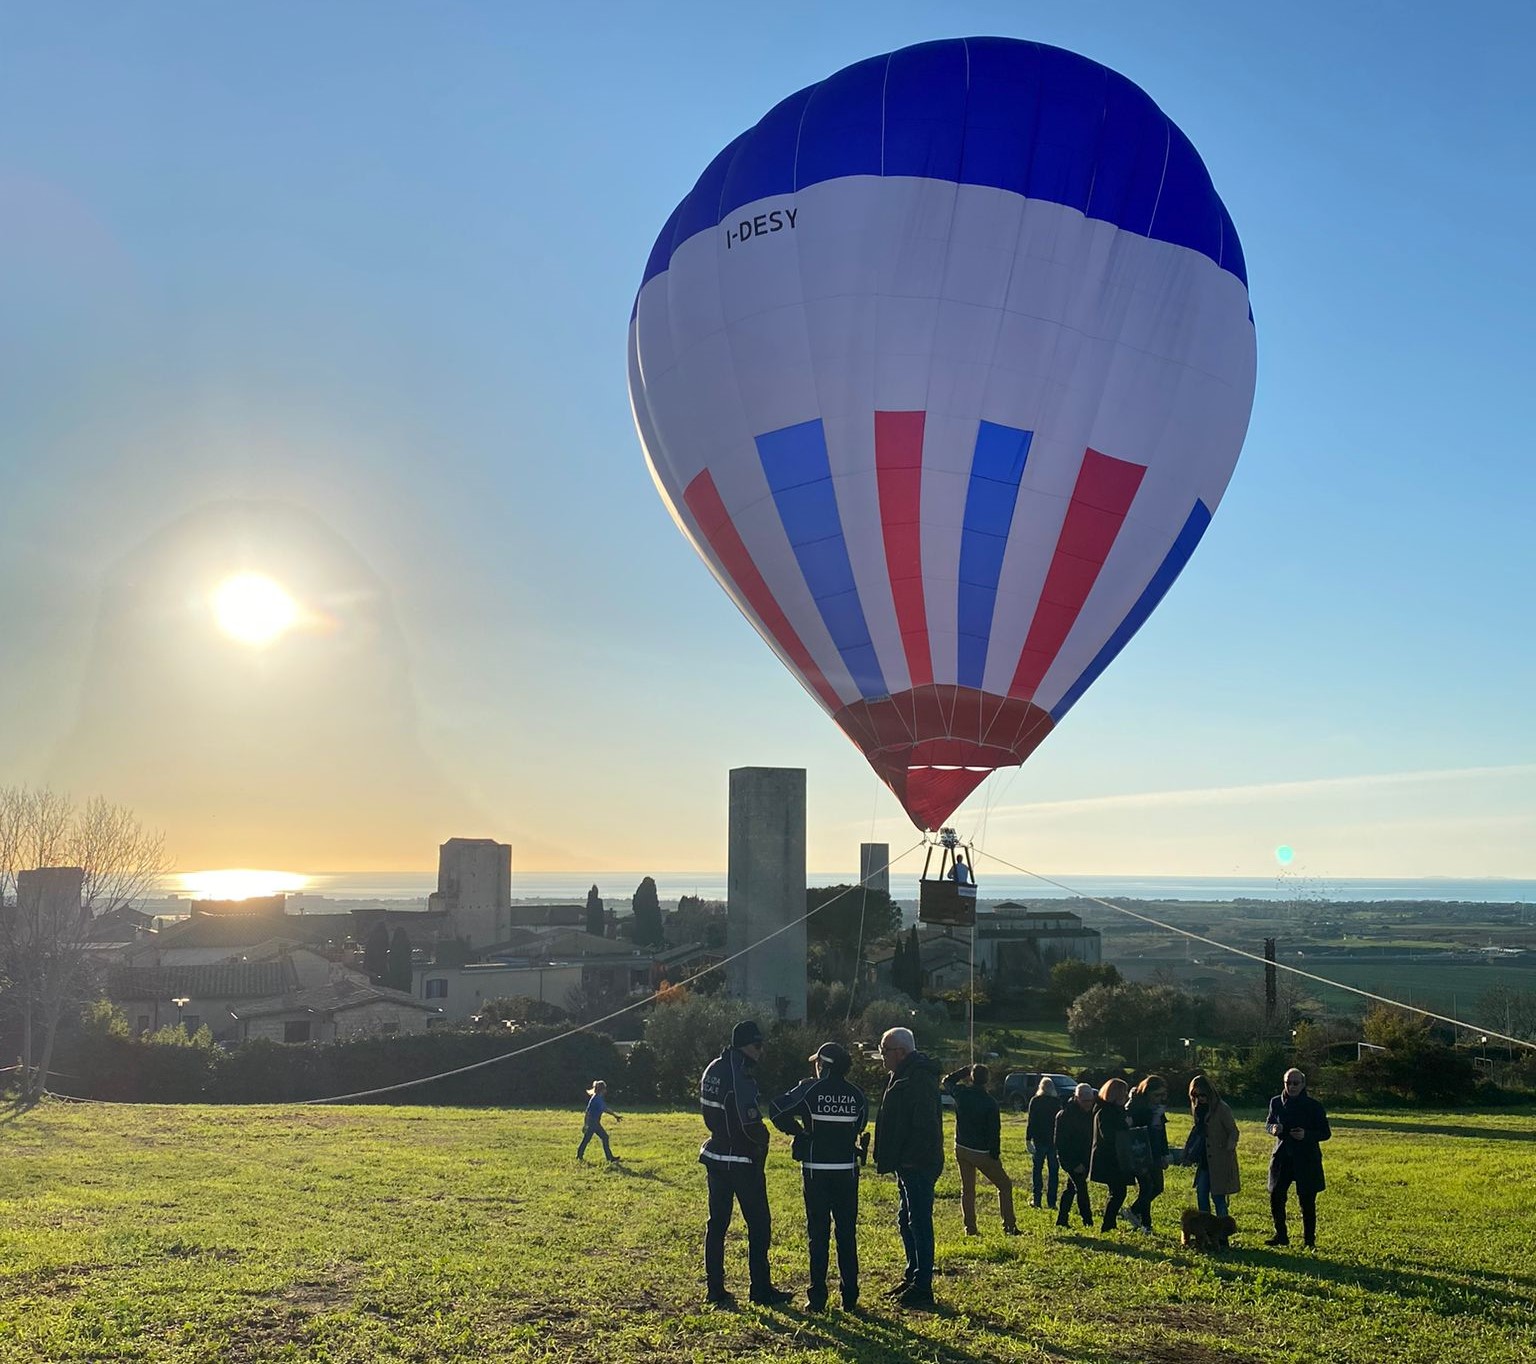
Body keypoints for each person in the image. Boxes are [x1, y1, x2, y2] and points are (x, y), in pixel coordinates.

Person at [768, 1041, 868, 1311]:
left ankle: (818, 1298)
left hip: (816, 1172)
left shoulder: (810, 1089)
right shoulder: (857, 1094)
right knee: (847, 1234)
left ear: (822, 1065)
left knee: (818, 1234)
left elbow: (776, 1109)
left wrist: (799, 1132)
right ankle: (850, 1296)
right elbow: (860, 1125)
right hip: (847, 1172)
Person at [698, 1019, 792, 1307]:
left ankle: (715, 1289)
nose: (761, 1051)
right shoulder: (740, 1074)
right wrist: (762, 1141)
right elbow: (749, 1120)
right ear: (744, 1046)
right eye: (758, 1045)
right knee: (759, 1224)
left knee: (717, 1225)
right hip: (741, 1159)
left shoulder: (713, 1068)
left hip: (715, 1155)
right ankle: (760, 1290)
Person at [873, 1027, 944, 1309]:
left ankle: (923, 1284)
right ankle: (912, 1275)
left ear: (901, 1052)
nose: (882, 1057)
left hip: (917, 1163)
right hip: (905, 1162)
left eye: (884, 1050)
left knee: (919, 1222)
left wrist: (911, 1157)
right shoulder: (903, 1075)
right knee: (906, 1220)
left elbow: (924, 1123)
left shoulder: (918, 1078)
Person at [942, 1063, 1018, 1236]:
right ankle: (1009, 1226)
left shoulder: (961, 1094)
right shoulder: (990, 1102)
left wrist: (963, 1071)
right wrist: (995, 1153)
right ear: (987, 1080)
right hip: (982, 1151)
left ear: (971, 1077)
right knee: (1004, 1186)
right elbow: (994, 1131)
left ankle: (970, 1228)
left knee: (967, 1190)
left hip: (961, 1147)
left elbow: (946, 1081)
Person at [1265, 1067, 1331, 1248]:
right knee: (1276, 1197)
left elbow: (1325, 1133)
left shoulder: (1314, 1106)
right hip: (1282, 1157)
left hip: (1306, 1158)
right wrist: (1273, 1129)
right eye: (1288, 1083)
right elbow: (1269, 1122)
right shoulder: (1276, 1102)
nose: (1292, 1087)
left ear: (1303, 1084)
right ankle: (1281, 1235)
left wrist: (1306, 1135)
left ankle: (1309, 1241)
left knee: (1307, 1202)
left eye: (1295, 1083)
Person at [1184, 1074, 1240, 1220]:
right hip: (1204, 1160)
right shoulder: (1198, 1109)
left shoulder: (1221, 1108)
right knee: (1201, 1193)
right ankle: (1206, 1229)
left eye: (1203, 1094)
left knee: (1218, 1198)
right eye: (1196, 1095)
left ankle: (1222, 1234)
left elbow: (1233, 1130)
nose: (1200, 1098)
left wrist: (1230, 1145)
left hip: (1219, 1159)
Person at [1125, 1075, 1170, 1232]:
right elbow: (1135, 1128)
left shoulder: (1157, 1108)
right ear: (1147, 1092)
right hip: (1141, 1151)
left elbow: (1161, 1132)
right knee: (1147, 1186)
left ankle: (1134, 1211)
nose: (1160, 1098)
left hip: (1156, 1151)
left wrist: (1164, 1153)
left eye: (1162, 1095)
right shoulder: (1136, 1106)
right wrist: (1153, 1117)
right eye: (1156, 1095)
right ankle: (1146, 1224)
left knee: (1157, 1187)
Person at [1089, 1077, 1133, 1231]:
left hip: (1115, 1158)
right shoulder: (1106, 1112)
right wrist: (1125, 1126)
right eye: (1124, 1093)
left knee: (1117, 1192)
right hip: (1110, 1159)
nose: (1127, 1096)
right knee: (1118, 1192)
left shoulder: (1112, 1110)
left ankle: (1110, 1223)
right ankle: (1108, 1224)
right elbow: (1108, 1135)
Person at [1054, 1083, 1097, 1228]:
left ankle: (1062, 1219)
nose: (1088, 1104)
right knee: (1081, 1188)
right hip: (1070, 1159)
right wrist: (1073, 1163)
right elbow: (1061, 1143)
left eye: (1090, 1100)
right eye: (1085, 1101)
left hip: (1085, 1157)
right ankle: (1088, 1221)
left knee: (1071, 1188)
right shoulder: (1065, 1115)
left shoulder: (1091, 1112)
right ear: (1076, 1097)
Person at [1026, 1076, 1063, 1210]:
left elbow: (1031, 1121)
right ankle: (1052, 1202)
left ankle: (1037, 1200)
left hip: (1039, 1140)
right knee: (1053, 1172)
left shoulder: (1035, 1101)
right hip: (1053, 1141)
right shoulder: (1056, 1102)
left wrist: (1028, 1139)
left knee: (1037, 1171)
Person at [577, 1079, 622, 1163]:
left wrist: (615, 1115)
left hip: (594, 1122)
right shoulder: (596, 1099)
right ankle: (609, 1158)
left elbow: (605, 1109)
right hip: (593, 1123)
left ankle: (580, 1156)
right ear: (602, 1089)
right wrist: (586, 1124)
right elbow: (588, 1112)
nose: (606, 1090)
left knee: (590, 1139)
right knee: (599, 1138)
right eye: (605, 1088)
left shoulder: (598, 1098)